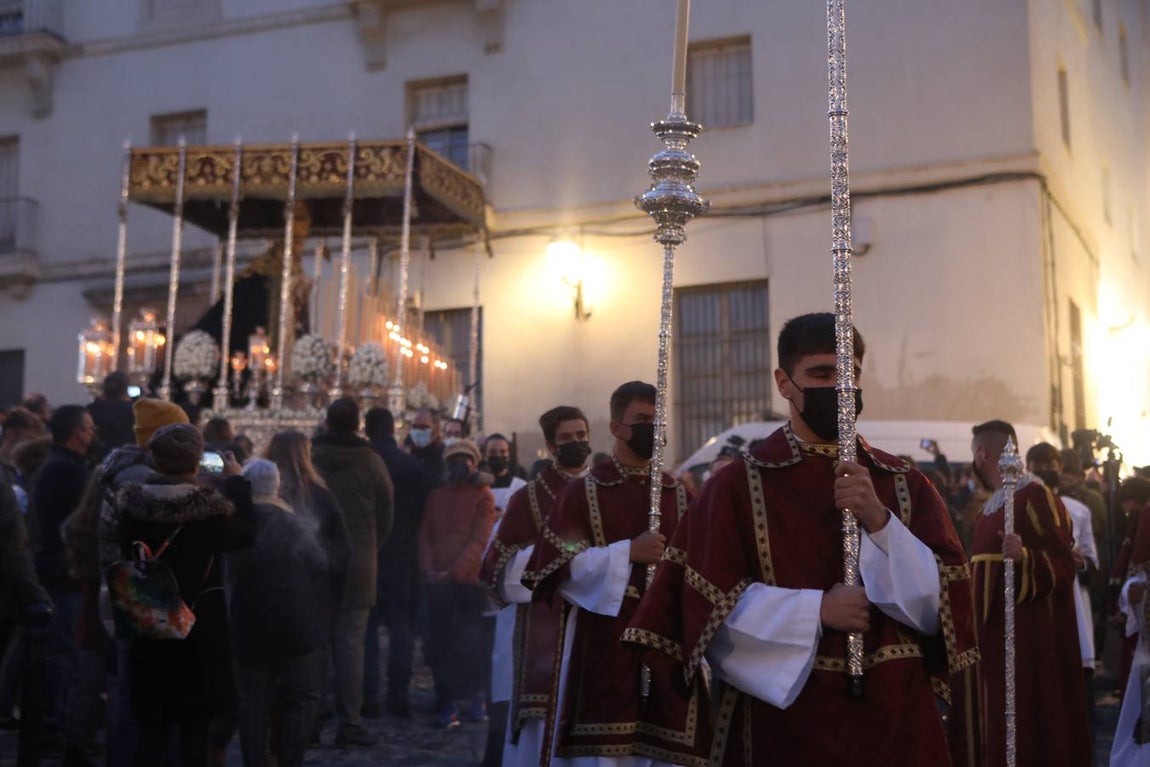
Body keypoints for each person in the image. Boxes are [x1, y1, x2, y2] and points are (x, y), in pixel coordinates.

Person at [627, 315, 975, 765]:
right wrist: (815, 611)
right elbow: (705, 611)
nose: (839, 387)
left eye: (848, 374)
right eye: (822, 374)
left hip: (896, 716)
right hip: (785, 722)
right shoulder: (735, 486)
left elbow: (943, 611)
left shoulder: (904, 482)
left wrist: (880, 521)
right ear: (784, 382)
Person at [522, 381, 708, 766]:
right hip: (603, 643)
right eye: (641, 420)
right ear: (615, 428)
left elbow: (705, 564)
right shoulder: (583, 493)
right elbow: (554, 568)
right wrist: (626, 554)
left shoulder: (678, 493)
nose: (652, 430)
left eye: (658, 421)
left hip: (668, 645)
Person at [108, 423, 255, 767]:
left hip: (149, 621)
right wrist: (236, 482)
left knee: (152, 726)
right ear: (195, 462)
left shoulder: (131, 507)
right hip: (197, 628)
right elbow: (246, 532)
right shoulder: (208, 514)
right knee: (194, 730)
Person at [968, 419, 1090, 766]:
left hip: (1024, 642)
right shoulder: (990, 506)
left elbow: (1064, 560)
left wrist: (1024, 557)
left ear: (982, 454)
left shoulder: (1032, 494)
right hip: (990, 639)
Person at [479, 405, 592, 767]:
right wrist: (565, 563)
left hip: (599, 631)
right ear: (550, 445)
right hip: (544, 632)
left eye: (581, 436)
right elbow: (497, 570)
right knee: (541, 737)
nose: (575, 443)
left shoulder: (605, 489)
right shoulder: (527, 499)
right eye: (566, 438)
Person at [228, 459, 332, 767]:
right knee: (300, 700)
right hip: (295, 625)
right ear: (277, 485)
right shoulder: (293, 521)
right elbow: (320, 563)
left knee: (252, 704)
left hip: (250, 626)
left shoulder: (238, 523)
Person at [310, 397, 394, 748]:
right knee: (350, 643)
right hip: (358, 561)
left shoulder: (310, 458)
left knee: (314, 643)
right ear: (357, 425)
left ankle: (310, 720)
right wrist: (368, 548)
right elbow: (387, 513)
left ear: (327, 423)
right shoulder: (371, 461)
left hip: (313, 558)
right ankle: (350, 722)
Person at [29, 405, 96, 740]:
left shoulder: (60, 465)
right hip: (63, 569)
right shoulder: (65, 470)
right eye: (88, 427)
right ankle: (59, 720)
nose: (92, 433)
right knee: (65, 649)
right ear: (75, 432)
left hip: (59, 566)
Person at [418, 439, 496, 729]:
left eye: (465, 459)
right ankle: (446, 700)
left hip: (467, 583)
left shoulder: (483, 496)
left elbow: (479, 540)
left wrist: (453, 571)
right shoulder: (436, 496)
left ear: (474, 463)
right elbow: (425, 535)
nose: (460, 464)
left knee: (470, 644)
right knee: (440, 644)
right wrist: (429, 569)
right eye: (454, 459)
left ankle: (475, 697)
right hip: (438, 584)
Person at [1027, 441, 1099, 729]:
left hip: (1074, 608)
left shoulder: (1078, 511)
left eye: (1051, 466)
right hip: (1035, 608)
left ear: (1059, 468)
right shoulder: (1017, 508)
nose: (1046, 471)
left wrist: (1080, 563)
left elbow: (1093, 564)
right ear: (1028, 467)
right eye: (1039, 467)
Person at [362, 408, 424, 718]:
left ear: (366, 429)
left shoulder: (361, 462)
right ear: (393, 428)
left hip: (367, 554)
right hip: (401, 554)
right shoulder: (410, 464)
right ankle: (399, 694)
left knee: (368, 627)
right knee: (400, 626)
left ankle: (368, 697)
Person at [88, 372, 135, 460]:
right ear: (125, 391)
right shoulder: (132, 410)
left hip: (97, 457)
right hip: (126, 457)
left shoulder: (91, 409)